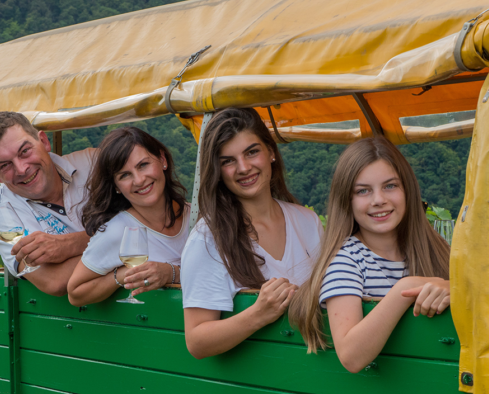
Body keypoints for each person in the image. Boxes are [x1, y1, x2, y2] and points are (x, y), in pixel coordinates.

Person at [290, 137, 451, 373]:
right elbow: (351, 356)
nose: (379, 200)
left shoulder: (434, 248)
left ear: (407, 190)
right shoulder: (347, 261)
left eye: (390, 186)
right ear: (347, 201)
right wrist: (405, 290)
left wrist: (451, 287)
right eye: (363, 191)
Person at [181, 107, 323, 358]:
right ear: (217, 170)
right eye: (228, 161)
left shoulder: (308, 221)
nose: (244, 167)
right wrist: (258, 314)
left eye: (252, 152)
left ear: (271, 152)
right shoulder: (207, 239)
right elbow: (197, 341)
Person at [67, 127, 189, 306]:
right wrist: (123, 275)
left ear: (162, 160)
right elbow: (76, 294)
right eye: (125, 175)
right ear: (116, 186)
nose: (139, 180)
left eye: (143, 165)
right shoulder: (117, 231)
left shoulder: (199, 217)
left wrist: (171, 273)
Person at [0, 111, 95, 296]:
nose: (21, 169)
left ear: (44, 141)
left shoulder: (93, 164)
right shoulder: (3, 212)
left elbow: (154, 219)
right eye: (5, 165)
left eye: (25, 151)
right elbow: (54, 280)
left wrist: (69, 245)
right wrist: (123, 248)